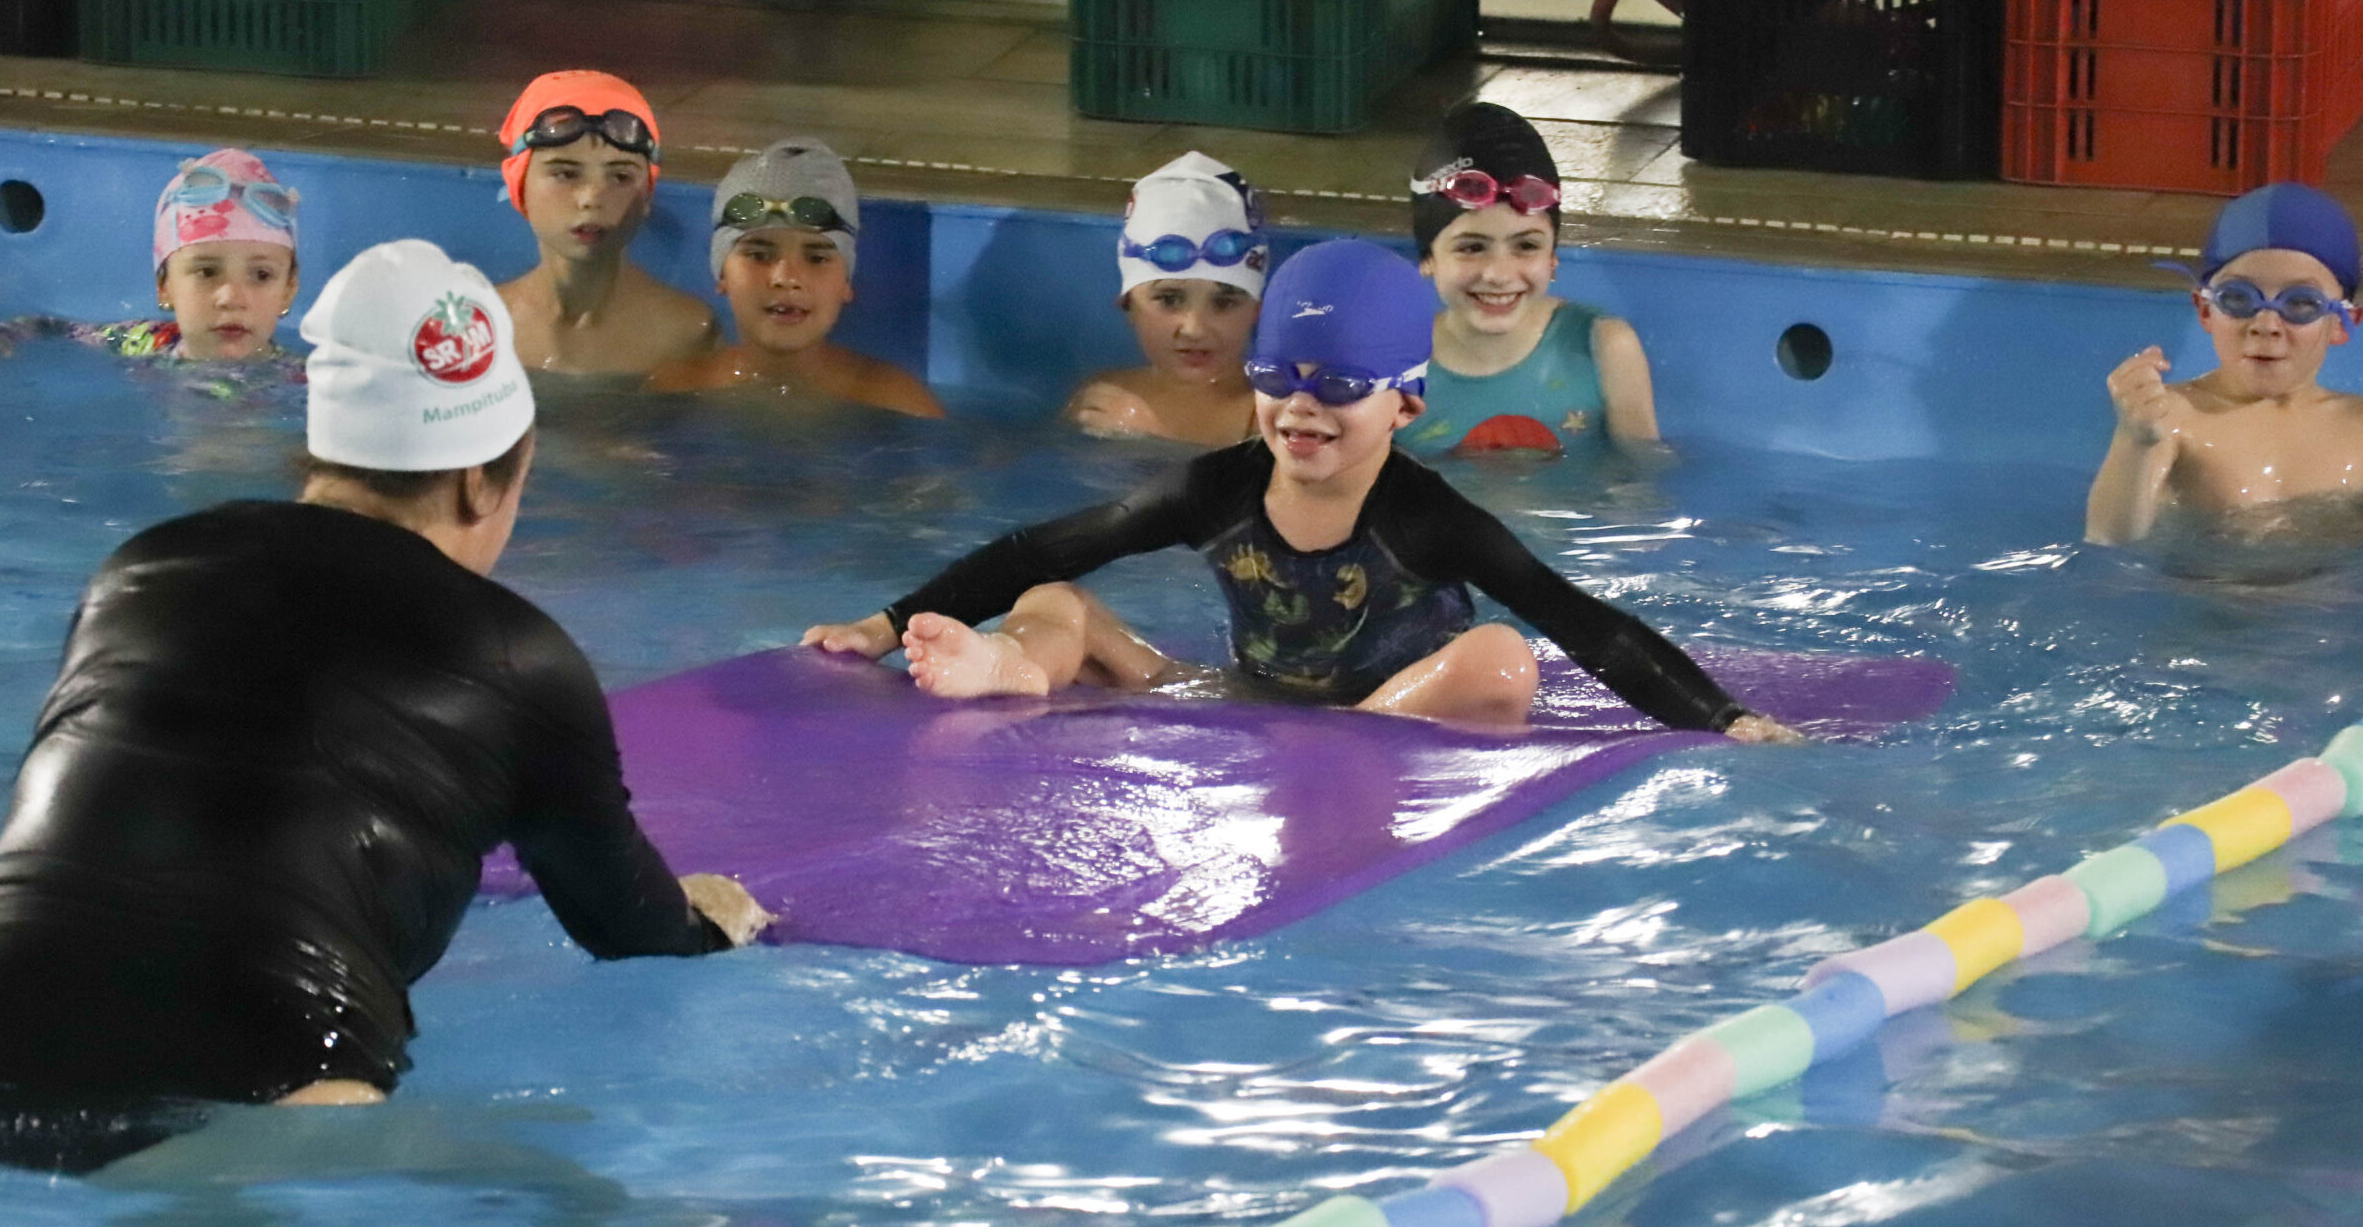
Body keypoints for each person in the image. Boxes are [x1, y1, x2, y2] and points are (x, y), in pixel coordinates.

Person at [0, 240, 768, 1175]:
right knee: (566, 1190)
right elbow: (631, 930)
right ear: (485, 477)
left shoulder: (140, 569)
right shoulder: (519, 656)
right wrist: (706, 921)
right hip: (275, 1069)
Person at [805, 239, 1798, 740]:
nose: (1301, 408)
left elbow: (1582, 621)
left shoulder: (1424, 516)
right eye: (1279, 378)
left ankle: (1350, 740)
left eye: (1339, 387)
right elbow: (1043, 545)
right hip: (1242, 700)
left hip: (1393, 712)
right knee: (1054, 598)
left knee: (1501, 658)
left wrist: (1722, 717)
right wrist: (886, 623)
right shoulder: (1217, 486)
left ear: (1405, 405)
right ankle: (1012, 667)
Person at [2086, 183, 2363, 545]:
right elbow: (2109, 539)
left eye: (2301, 303)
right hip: (2204, 582)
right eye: (2238, 298)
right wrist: (2134, 441)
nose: (2266, 324)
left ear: (2341, 323)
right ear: (2205, 311)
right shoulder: (2173, 416)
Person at [1397, 103, 1661, 456]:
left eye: (1526, 246)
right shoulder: (1395, 368)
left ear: (1552, 259)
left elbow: (1642, 478)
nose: (1498, 275)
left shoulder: (1604, 347)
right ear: (1428, 259)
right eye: (1472, 247)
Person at [646, 137, 942, 416]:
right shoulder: (676, 391)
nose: (786, 278)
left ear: (846, 282)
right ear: (722, 274)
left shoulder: (896, 402)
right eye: (759, 255)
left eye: (816, 258)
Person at [0, 148, 302, 364]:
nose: (231, 298)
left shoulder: (302, 381)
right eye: (207, 272)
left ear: (288, 290)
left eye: (261, 275)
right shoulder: (146, 341)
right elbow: (55, 328)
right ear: (164, 286)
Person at [492, 70, 719, 376]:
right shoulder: (479, 325)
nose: (591, 198)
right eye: (565, 174)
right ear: (519, 185)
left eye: (620, 176)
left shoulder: (689, 333)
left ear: (647, 194)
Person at [1064, 151, 1264, 447]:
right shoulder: (1103, 393)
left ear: (1256, 311)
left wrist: (1146, 433)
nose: (1194, 329)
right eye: (1170, 300)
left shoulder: (1266, 415)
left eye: (1224, 304)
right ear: (1128, 306)